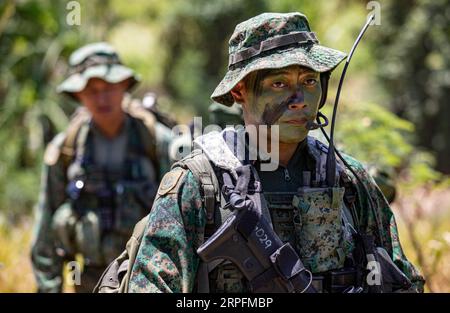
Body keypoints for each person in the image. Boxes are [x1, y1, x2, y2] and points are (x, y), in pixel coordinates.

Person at [110, 12, 425, 293]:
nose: (299, 99)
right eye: (279, 83)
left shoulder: (349, 179)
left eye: (310, 81)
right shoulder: (197, 185)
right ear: (239, 91)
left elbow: (403, 280)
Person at [30, 42, 172, 292]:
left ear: (124, 86)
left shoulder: (158, 142)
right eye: (91, 90)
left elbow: (185, 221)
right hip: (90, 281)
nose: (101, 98)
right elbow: (46, 233)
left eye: (109, 87)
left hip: (147, 278)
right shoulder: (66, 150)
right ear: (77, 95)